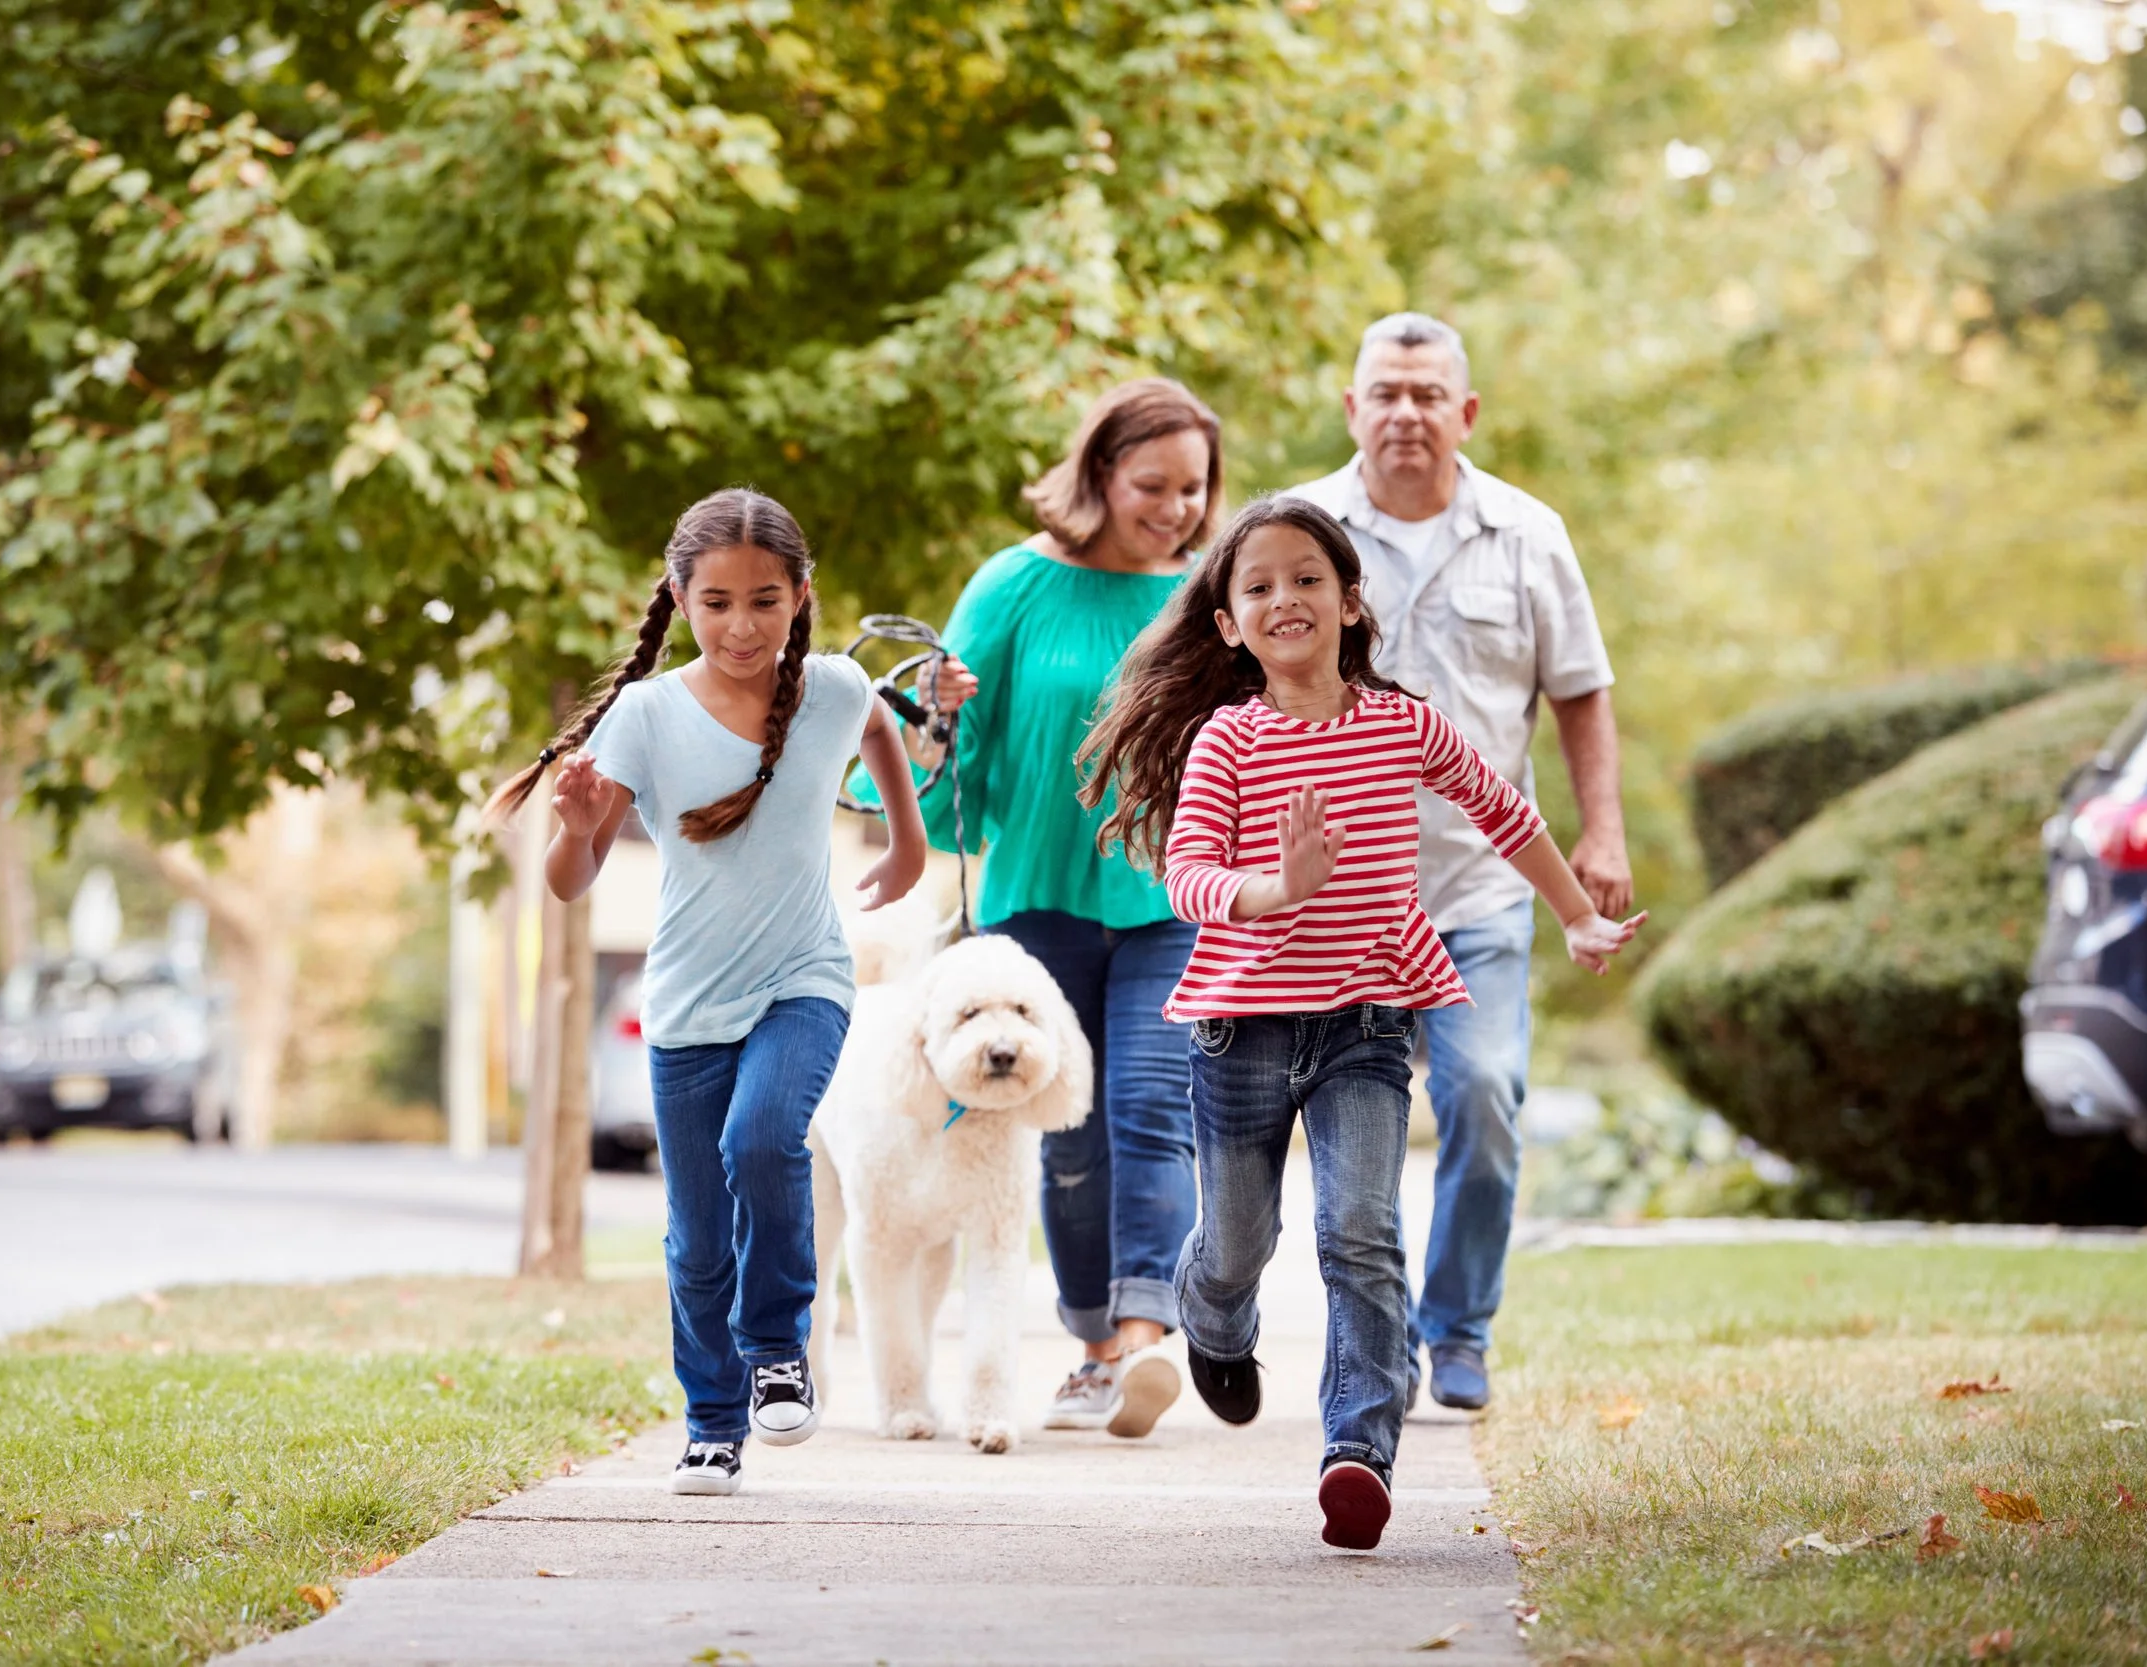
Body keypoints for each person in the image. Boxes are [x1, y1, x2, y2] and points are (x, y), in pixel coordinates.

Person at [1077, 495, 1642, 1549]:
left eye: (1305, 577)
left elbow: (1503, 808)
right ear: (1229, 626)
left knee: (1360, 1230)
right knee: (1237, 1240)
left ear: (1347, 600)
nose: (1284, 597)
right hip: (1241, 1027)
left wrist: (1573, 915)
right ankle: (1215, 1322)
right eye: (1257, 586)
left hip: (1366, 1023)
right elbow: (1189, 873)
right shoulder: (1226, 739)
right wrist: (1273, 887)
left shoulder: (1401, 722)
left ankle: (1357, 1450)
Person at [486, 488, 931, 1498]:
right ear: (679, 596)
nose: (742, 624)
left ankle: (779, 1351)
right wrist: (577, 824)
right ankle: (712, 1421)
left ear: (800, 595)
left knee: (761, 1139)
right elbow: (570, 879)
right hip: (686, 1001)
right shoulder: (645, 715)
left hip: (803, 979)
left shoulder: (831, 687)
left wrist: (906, 841)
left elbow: (878, 732)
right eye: (718, 601)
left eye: (765, 600)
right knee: (693, 1235)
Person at [1283, 313, 1631, 1414]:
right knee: (1352, 1145)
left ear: (1464, 412)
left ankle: (1461, 1325)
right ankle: (1372, 1350)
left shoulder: (1529, 534)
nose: (1404, 412)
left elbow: (1578, 687)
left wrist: (1601, 830)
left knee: (1485, 1094)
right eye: (1384, 391)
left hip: (1483, 883)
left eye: (1427, 394)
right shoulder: (1300, 534)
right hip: (1338, 900)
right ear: (1351, 408)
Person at [901, 378, 1224, 1438]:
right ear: (1097, 474)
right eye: (1152, 483)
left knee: (1147, 1106)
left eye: (1193, 487)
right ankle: (1090, 1342)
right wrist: (935, 718)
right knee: (1070, 1133)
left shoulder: (1203, 600)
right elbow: (947, 758)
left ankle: (1142, 1339)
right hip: (1036, 895)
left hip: (1168, 895)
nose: (1176, 507)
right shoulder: (1012, 585)